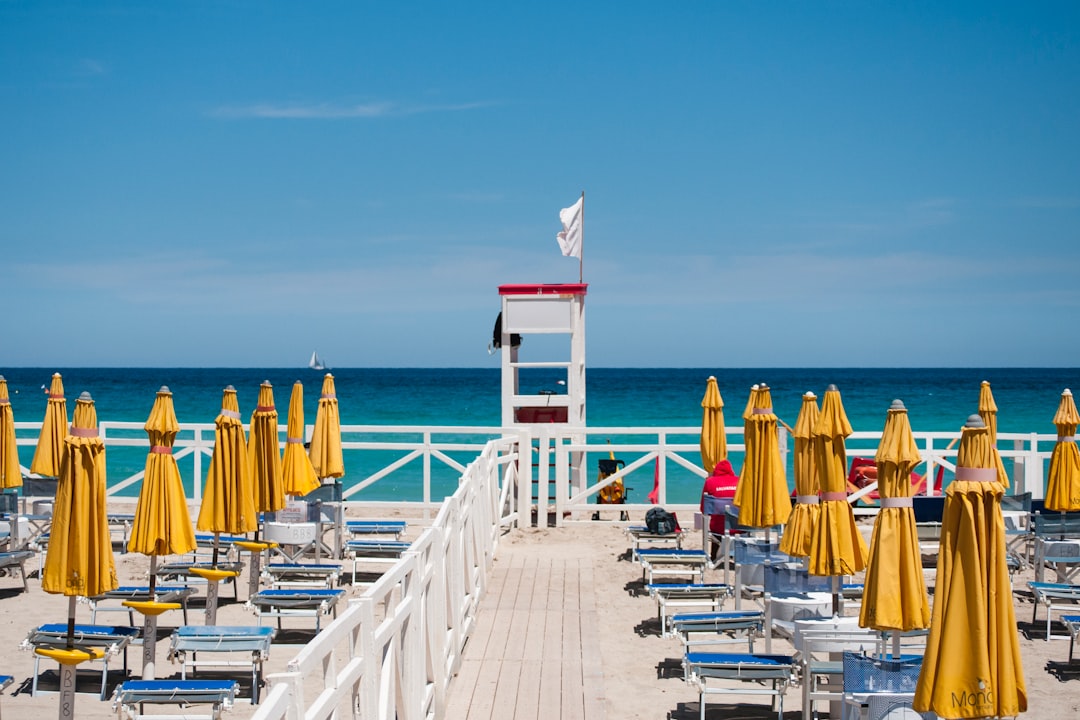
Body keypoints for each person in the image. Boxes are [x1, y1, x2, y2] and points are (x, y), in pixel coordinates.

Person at [700, 459, 740, 562]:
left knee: (717, 521)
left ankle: (713, 557)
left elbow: (704, 508)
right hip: (739, 528)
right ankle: (737, 555)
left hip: (718, 529)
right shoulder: (740, 481)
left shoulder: (710, 482)